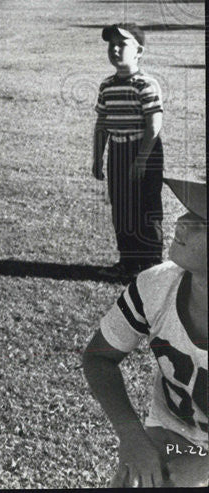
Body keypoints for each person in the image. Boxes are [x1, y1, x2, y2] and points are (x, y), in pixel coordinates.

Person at [82, 177, 207, 487]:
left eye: (201, 221)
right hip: (174, 437)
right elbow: (98, 358)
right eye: (187, 211)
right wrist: (132, 437)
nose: (180, 222)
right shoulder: (157, 285)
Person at [92, 23, 165, 278]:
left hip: (144, 149)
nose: (114, 49)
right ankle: (128, 262)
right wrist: (97, 158)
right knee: (122, 208)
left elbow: (154, 125)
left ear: (139, 51)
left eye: (122, 44)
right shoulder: (107, 86)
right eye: (111, 44)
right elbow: (101, 124)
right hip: (118, 151)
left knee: (146, 208)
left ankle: (151, 267)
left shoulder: (146, 84)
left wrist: (142, 160)